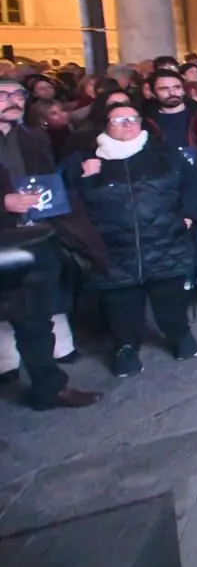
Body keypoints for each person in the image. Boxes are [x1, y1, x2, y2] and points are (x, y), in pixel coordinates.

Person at [65, 103, 197, 376]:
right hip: (113, 246)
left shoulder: (164, 154)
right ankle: (125, 346)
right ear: (104, 124)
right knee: (121, 302)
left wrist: (188, 216)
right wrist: (83, 177)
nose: (127, 124)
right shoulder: (87, 159)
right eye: (118, 119)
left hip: (165, 239)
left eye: (133, 118)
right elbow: (69, 200)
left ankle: (179, 335)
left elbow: (193, 187)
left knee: (171, 296)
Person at [0, 76, 104, 410]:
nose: (12, 100)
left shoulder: (31, 137)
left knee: (36, 318)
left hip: (35, 236)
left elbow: (50, 180)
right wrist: (3, 202)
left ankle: (49, 388)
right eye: (3, 95)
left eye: (17, 94)